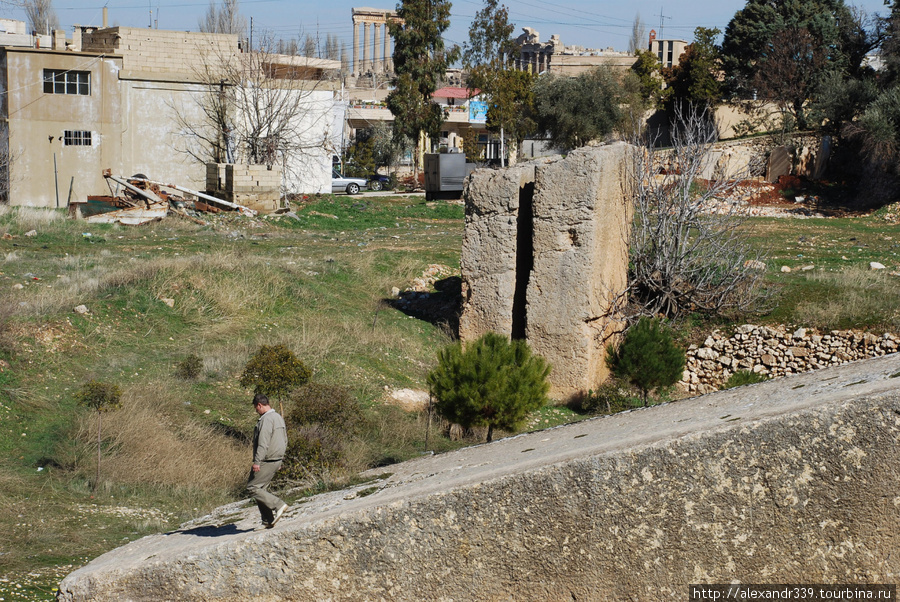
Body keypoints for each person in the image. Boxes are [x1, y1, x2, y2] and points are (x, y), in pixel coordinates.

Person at [247, 393, 288, 529]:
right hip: (277, 458)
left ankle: (278, 504)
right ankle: (267, 521)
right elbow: (285, 440)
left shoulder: (266, 419)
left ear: (260, 405)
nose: (256, 411)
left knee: (252, 487)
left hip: (267, 458)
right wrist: (281, 459)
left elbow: (263, 443)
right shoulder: (278, 418)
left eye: (256, 408)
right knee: (261, 489)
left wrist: (257, 461)